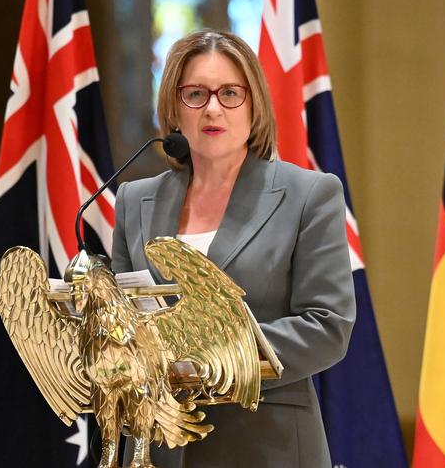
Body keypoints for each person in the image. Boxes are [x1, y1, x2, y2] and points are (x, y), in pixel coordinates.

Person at [112, 29, 356, 468]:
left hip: (266, 444)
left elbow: (328, 326)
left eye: (229, 93)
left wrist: (208, 359)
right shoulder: (134, 201)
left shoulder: (308, 195)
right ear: (172, 107)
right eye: (195, 94)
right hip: (160, 447)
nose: (212, 108)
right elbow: (126, 319)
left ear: (254, 105)